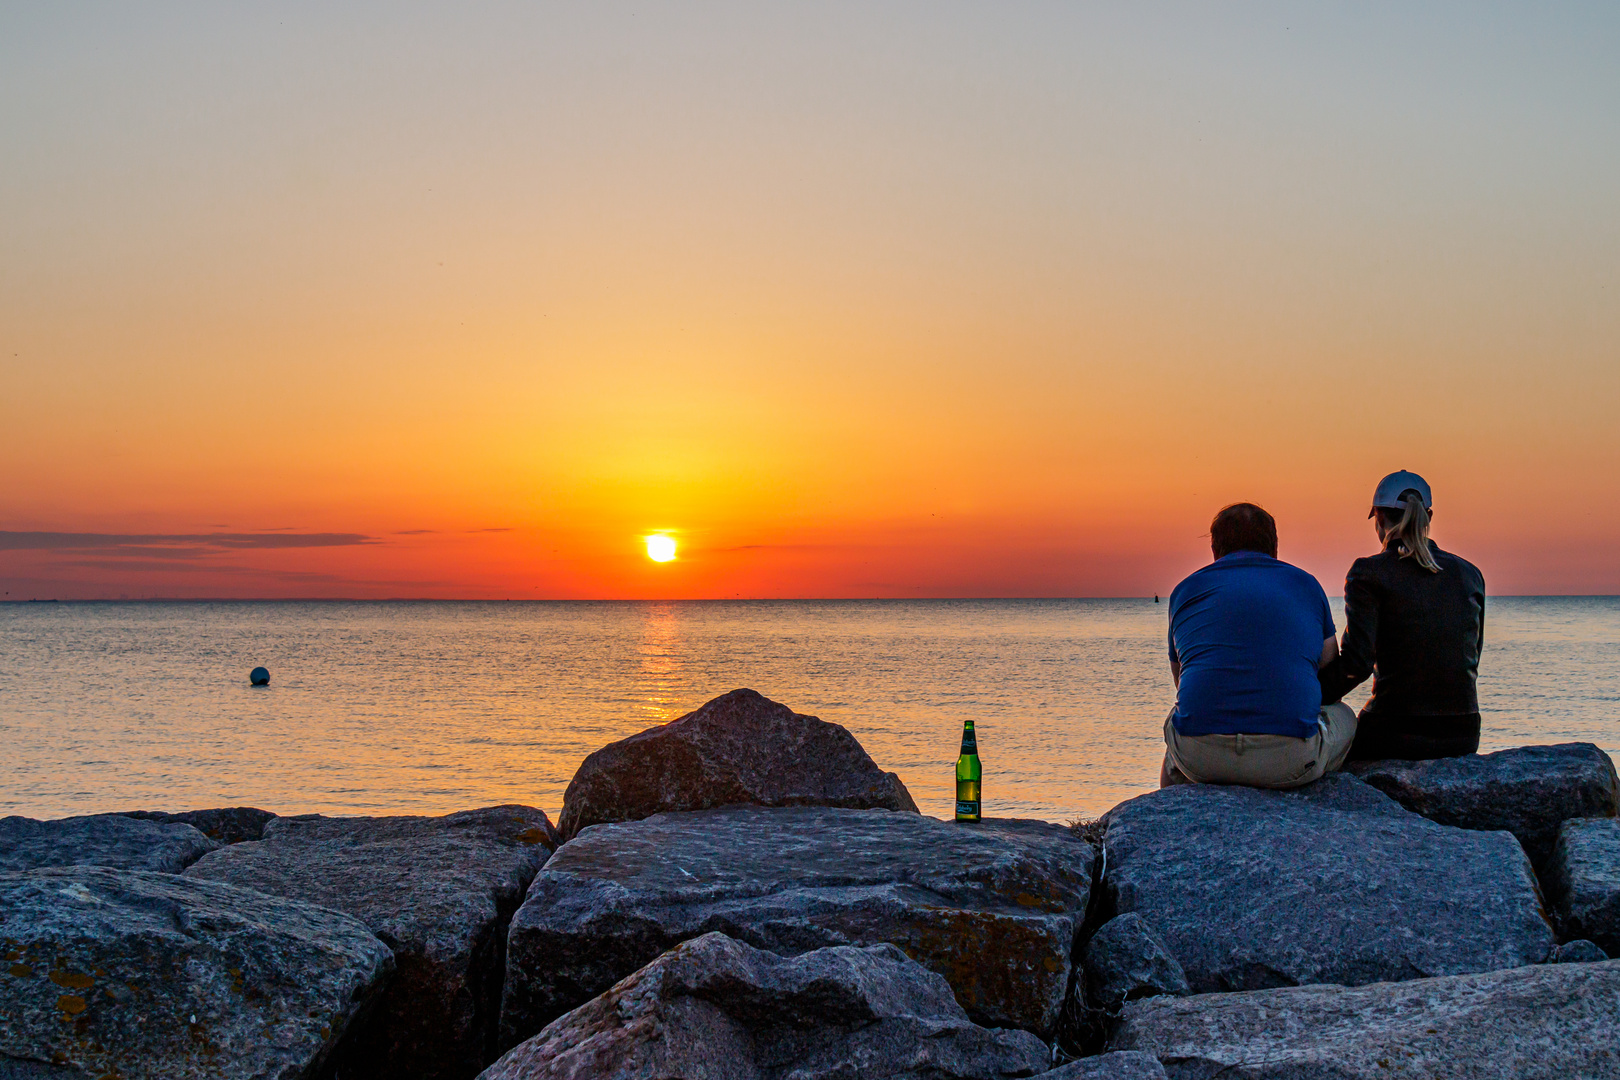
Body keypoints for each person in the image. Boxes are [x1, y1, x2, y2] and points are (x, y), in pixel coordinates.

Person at [1162, 503, 1357, 788]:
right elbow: (1327, 672)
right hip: (1288, 759)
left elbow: (1182, 681)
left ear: (1215, 549)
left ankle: (1166, 818)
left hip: (1201, 758)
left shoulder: (1184, 590)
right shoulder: (1306, 585)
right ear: (1274, 547)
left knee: (1181, 718)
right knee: (1347, 717)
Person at [1319, 470, 1486, 760]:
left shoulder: (1368, 573)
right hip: (1463, 733)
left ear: (1380, 519)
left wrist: (1311, 695)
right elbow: (1471, 656)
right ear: (1428, 518)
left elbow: (1356, 665)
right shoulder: (1469, 574)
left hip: (1395, 732)